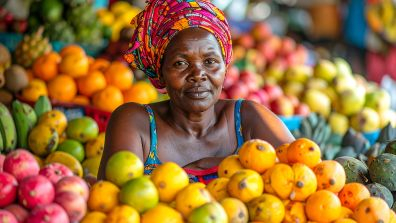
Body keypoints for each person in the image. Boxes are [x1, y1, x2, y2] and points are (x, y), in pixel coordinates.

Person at [98, 0, 294, 183]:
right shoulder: (135, 123)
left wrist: (210, 166)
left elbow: (303, 175)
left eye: (210, 62)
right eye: (180, 63)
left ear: (225, 69)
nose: (198, 74)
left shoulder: (248, 118)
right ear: (160, 72)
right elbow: (115, 205)